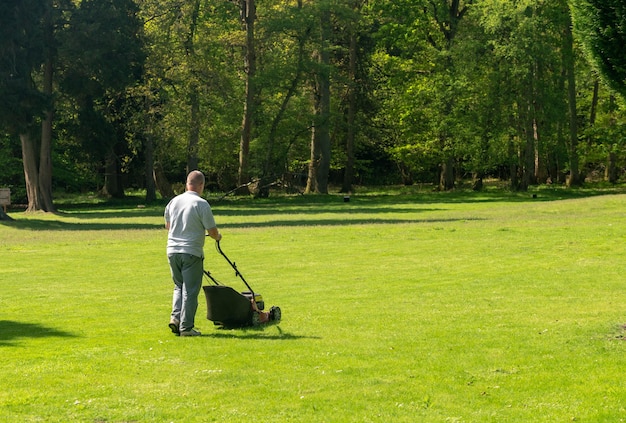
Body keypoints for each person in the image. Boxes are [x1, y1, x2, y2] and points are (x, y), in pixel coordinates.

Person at [164, 170, 222, 336]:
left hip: (172, 250)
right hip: (191, 252)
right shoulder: (201, 204)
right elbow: (212, 231)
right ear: (201, 185)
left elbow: (168, 226)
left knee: (178, 286)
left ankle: (175, 318)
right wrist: (218, 237)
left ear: (187, 183)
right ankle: (186, 327)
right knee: (190, 290)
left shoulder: (173, 202)